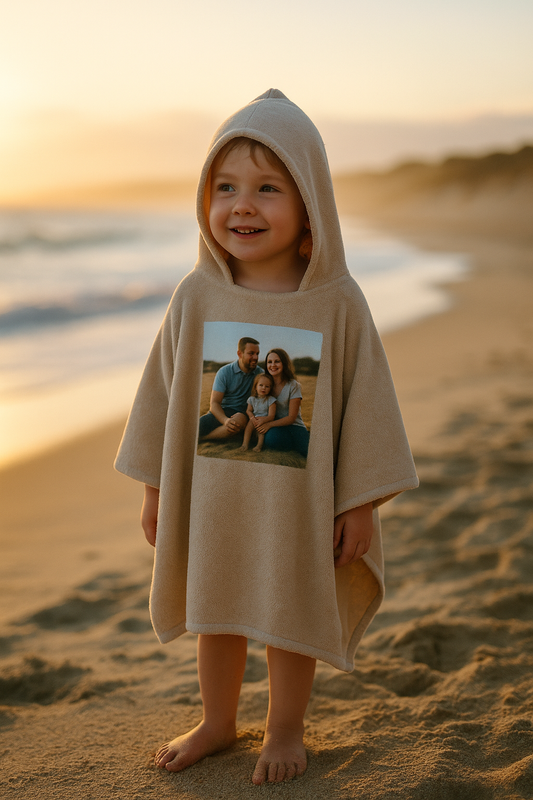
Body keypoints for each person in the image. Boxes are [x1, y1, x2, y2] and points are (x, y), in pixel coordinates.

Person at [115, 89, 418, 785]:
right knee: (213, 608)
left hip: (297, 504)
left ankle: (284, 729)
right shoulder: (197, 295)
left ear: (309, 202)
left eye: (266, 188)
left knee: (289, 608)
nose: (241, 205)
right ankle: (218, 722)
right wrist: (155, 489)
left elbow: (364, 407)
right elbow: (161, 398)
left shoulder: (335, 301)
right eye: (224, 187)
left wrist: (361, 501)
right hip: (213, 496)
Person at [198, 337, 263, 440]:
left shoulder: (260, 374)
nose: (255, 357)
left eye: (257, 354)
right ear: (240, 354)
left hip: (242, 414)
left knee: (237, 422)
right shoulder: (224, 372)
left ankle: (204, 439)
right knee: (195, 427)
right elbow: (214, 403)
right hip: (221, 412)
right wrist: (225, 420)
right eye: (251, 353)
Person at [257, 348, 309, 458]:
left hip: (295, 426)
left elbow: (291, 417)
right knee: (273, 440)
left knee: (307, 452)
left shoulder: (293, 385)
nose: (273, 365)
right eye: (269, 362)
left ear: (284, 363)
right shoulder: (264, 385)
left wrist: (269, 424)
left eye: (277, 361)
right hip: (276, 428)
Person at [240, 372, 277, 452]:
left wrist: (263, 420)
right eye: (261, 385)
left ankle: (259, 446)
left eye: (267, 386)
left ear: (270, 388)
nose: (263, 388)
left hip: (265, 420)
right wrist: (252, 417)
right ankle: (245, 444)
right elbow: (248, 410)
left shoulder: (271, 400)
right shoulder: (252, 399)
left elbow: (271, 416)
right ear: (255, 387)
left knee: (261, 430)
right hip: (254, 418)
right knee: (249, 426)